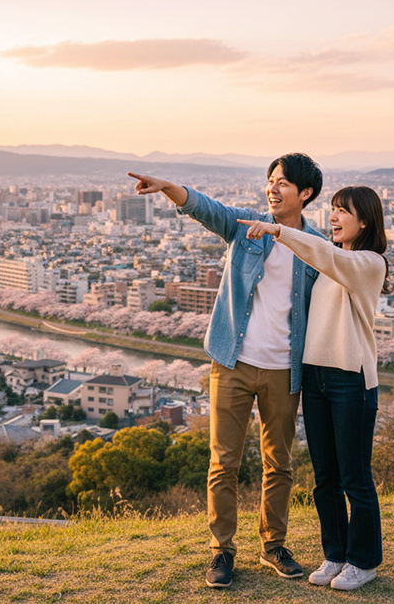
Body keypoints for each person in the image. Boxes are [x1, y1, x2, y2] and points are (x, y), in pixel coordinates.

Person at [128, 154, 326, 589]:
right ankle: (222, 550)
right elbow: (205, 208)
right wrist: (166, 186)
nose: (272, 189)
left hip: (284, 369)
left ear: (306, 194)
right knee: (224, 461)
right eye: (270, 181)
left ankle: (273, 544)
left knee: (280, 463)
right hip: (233, 361)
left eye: (283, 184)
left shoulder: (315, 247)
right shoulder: (245, 226)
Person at [237, 185, 390, 591]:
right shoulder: (331, 260)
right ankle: (335, 554)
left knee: (355, 477)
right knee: (325, 477)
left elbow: (327, 254)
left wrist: (278, 232)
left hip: (351, 379)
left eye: (344, 212)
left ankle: (364, 561)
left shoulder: (370, 263)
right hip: (316, 378)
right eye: (334, 209)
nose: (334, 217)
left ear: (365, 221)